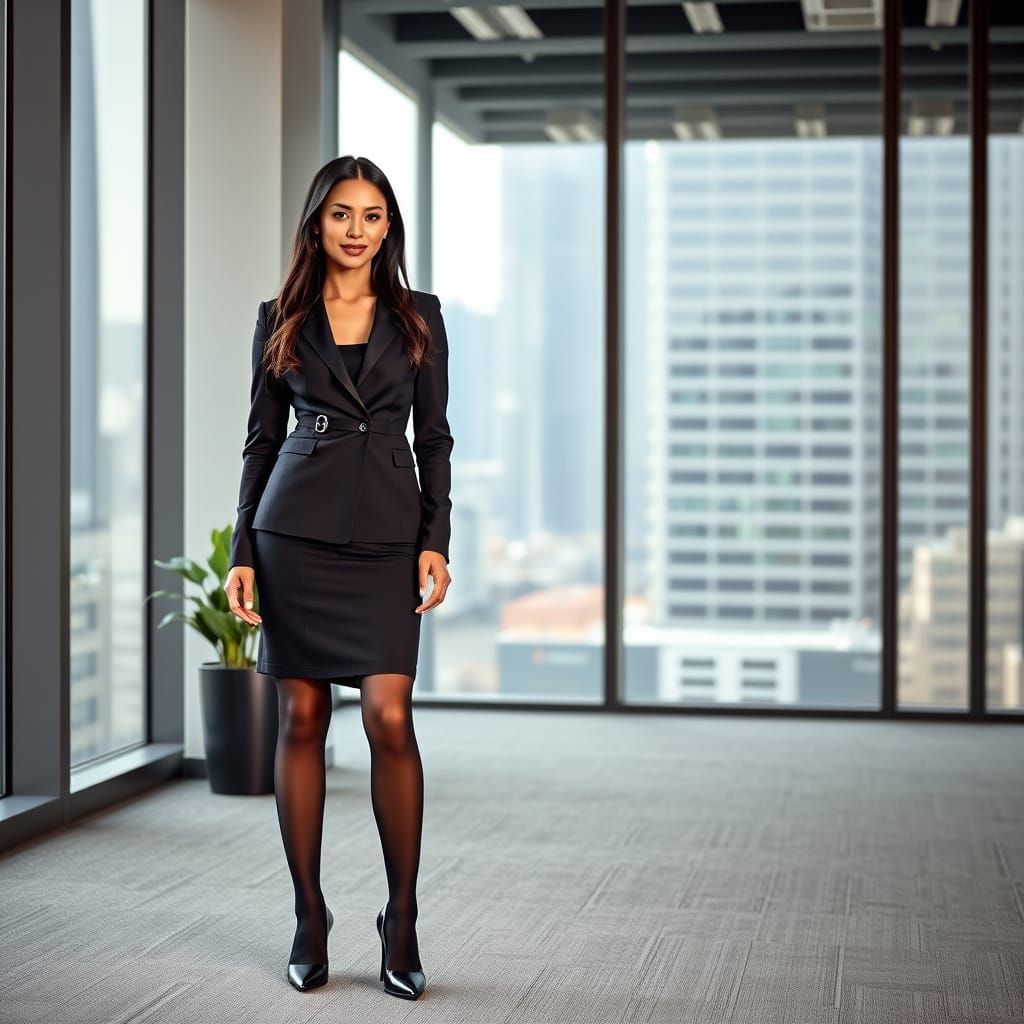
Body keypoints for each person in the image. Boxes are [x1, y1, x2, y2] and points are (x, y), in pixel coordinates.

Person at [223, 155, 454, 1001]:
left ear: (388, 227)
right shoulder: (279, 317)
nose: (358, 230)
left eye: (374, 216)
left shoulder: (419, 317)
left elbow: (436, 438)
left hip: (391, 536)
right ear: (317, 224)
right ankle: (309, 914)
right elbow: (258, 440)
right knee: (305, 714)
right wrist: (242, 550)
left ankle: (402, 918)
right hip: (295, 531)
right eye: (342, 215)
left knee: (390, 716)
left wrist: (438, 538)